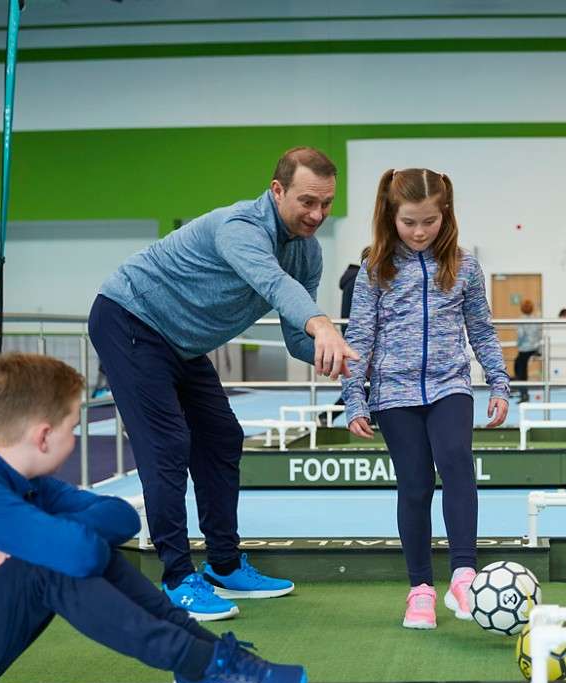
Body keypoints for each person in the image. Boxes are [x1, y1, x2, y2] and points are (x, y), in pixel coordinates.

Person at [0, 353, 305, 683]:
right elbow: (79, 552)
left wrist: (42, 535)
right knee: (48, 565)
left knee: (67, 551)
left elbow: (121, 517)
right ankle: (200, 665)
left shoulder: (26, 485)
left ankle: (204, 658)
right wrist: (47, 541)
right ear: (44, 436)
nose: (75, 438)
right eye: (72, 428)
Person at [88, 147, 357, 621]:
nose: (318, 214)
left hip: (181, 343)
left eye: (327, 203)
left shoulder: (307, 252)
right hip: (131, 318)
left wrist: (339, 349)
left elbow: (299, 336)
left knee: (221, 438)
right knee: (168, 443)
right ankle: (176, 577)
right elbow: (274, 286)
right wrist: (324, 325)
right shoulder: (239, 228)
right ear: (277, 191)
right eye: (308, 201)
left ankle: (225, 565)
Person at [342, 168, 509, 629]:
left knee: (456, 460)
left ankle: (463, 575)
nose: (419, 232)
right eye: (409, 222)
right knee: (414, 483)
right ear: (390, 216)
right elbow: (361, 336)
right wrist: (354, 396)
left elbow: (482, 330)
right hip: (394, 393)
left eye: (429, 222)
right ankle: (420, 589)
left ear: (446, 215)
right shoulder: (376, 268)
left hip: (449, 384)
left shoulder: (465, 266)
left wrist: (498, 381)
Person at [324, 261, 362, 425]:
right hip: (357, 340)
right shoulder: (357, 281)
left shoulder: (353, 281)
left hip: (353, 338)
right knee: (361, 383)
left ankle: (327, 416)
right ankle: (327, 416)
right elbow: (352, 316)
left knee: (363, 384)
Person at [514, 298, 542, 402]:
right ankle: (523, 392)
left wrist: (518, 344)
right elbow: (539, 335)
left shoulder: (521, 320)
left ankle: (524, 395)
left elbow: (520, 335)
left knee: (519, 370)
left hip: (525, 349)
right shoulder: (536, 319)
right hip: (534, 348)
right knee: (521, 369)